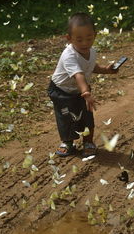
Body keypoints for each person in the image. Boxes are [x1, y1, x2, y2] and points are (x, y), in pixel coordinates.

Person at [47, 12, 118, 157]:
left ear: (95, 35)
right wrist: (86, 93)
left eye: (89, 38)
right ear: (69, 38)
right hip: (62, 91)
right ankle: (68, 142)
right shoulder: (69, 56)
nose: (85, 43)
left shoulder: (91, 51)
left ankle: (88, 142)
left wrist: (106, 70)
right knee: (66, 116)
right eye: (79, 40)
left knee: (86, 115)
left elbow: (90, 67)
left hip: (81, 90)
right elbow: (78, 75)